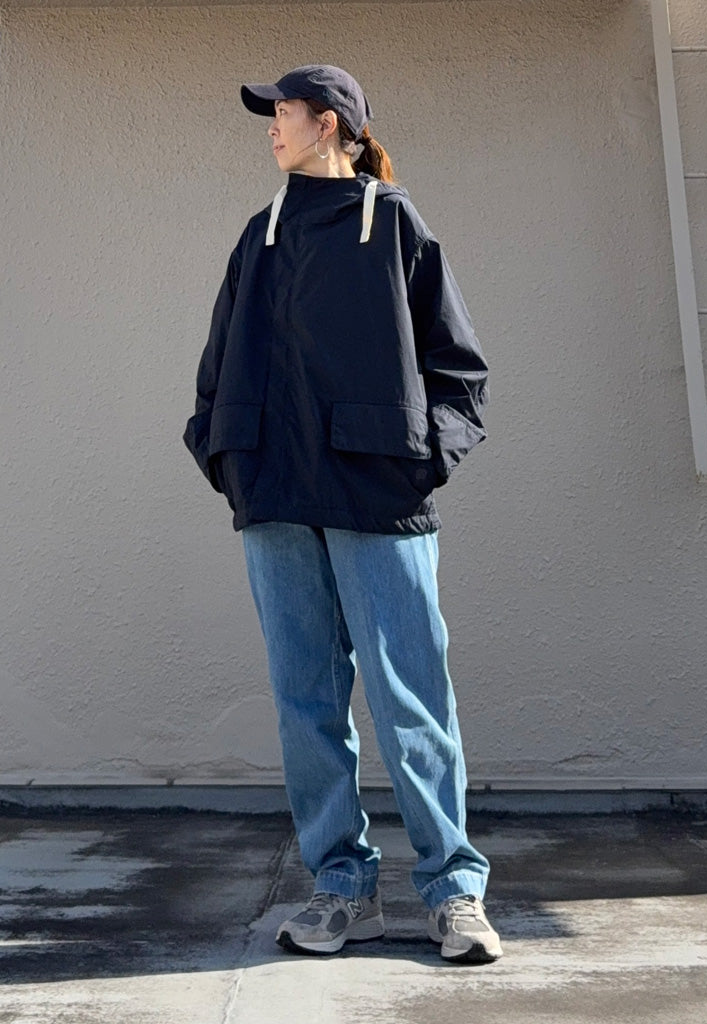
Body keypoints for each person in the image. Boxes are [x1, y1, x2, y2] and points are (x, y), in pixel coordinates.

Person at [183, 64, 501, 964]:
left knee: (412, 700)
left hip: (377, 498)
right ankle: (342, 887)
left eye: (281, 113)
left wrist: (419, 463)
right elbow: (215, 367)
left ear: (327, 124)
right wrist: (226, 454)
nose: (270, 128)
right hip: (276, 500)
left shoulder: (392, 221)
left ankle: (454, 891)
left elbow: (461, 371)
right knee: (306, 703)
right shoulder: (260, 236)